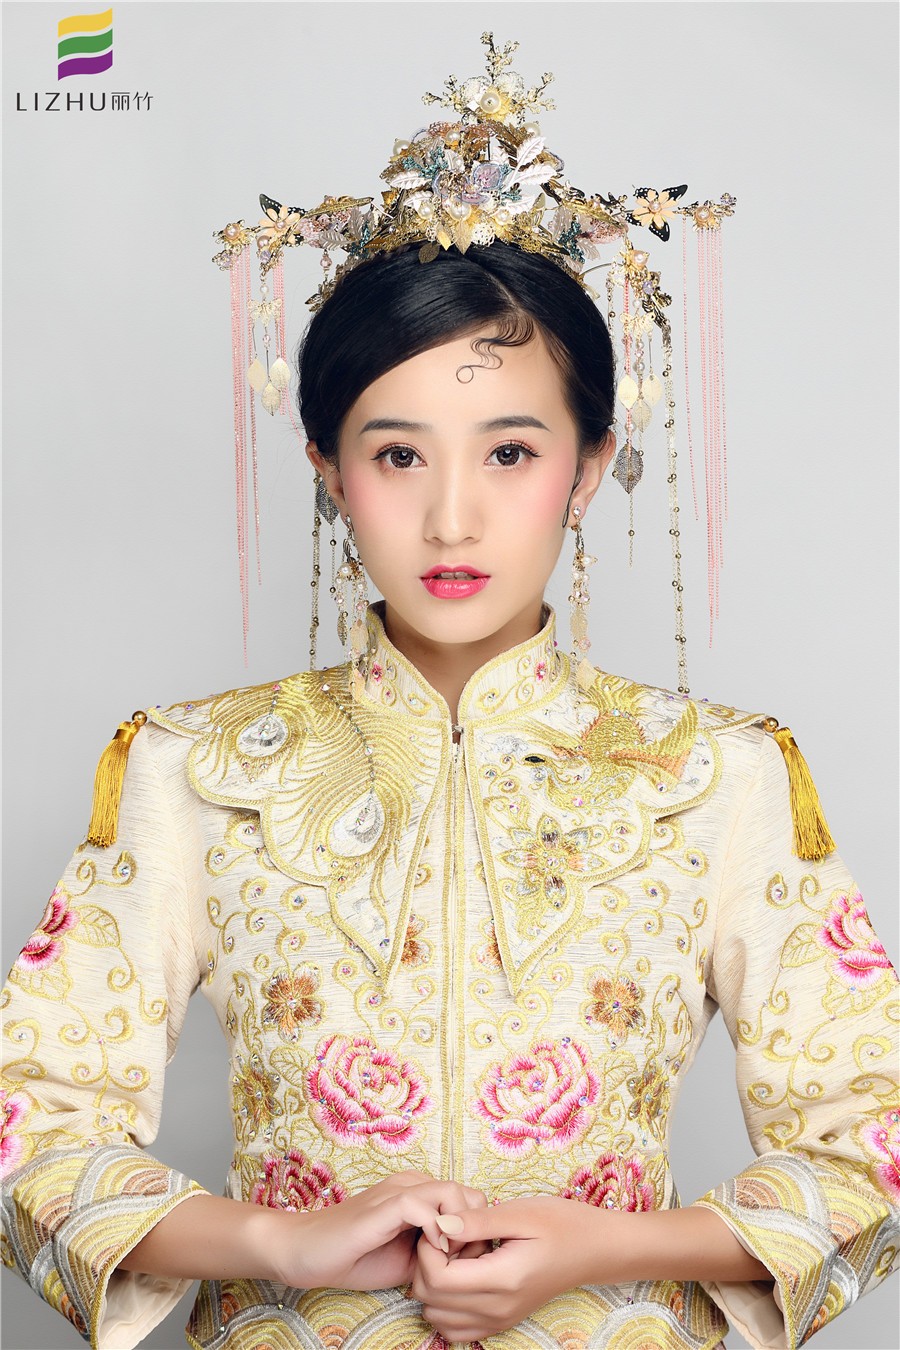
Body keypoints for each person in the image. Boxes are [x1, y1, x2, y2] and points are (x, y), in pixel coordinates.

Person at [2, 38, 898, 1350]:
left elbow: (868, 1146)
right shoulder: (191, 769)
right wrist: (277, 1242)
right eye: (398, 454)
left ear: (587, 467)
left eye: (512, 451)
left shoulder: (721, 775)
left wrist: (608, 1245)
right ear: (329, 467)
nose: (452, 516)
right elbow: (35, 1128)